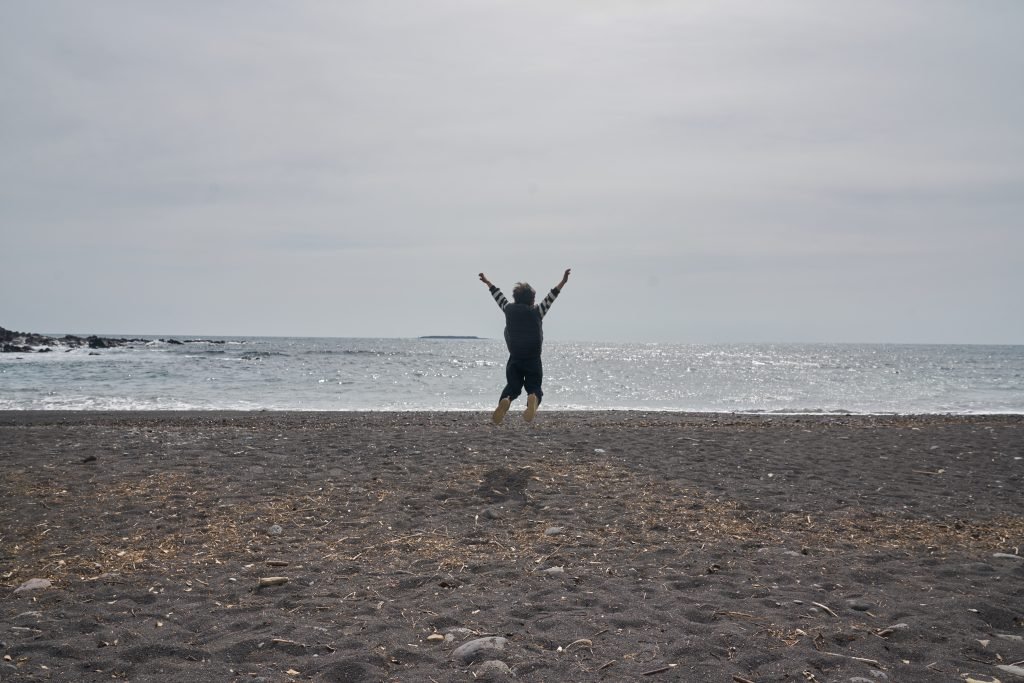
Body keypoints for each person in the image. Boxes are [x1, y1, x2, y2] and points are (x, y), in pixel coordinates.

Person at [478, 268, 571, 424]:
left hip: (515, 358)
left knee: (513, 386)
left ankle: (506, 400)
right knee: (534, 385)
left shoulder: (508, 309)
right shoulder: (537, 311)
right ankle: (532, 399)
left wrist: (488, 282)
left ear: (515, 298)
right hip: (533, 358)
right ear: (531, 300)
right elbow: (551, 296)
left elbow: (498, 296)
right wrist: (563, 282)